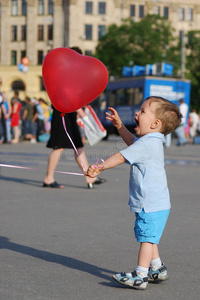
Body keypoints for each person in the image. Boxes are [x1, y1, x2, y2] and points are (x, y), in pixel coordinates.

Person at [86, 96, 182, 290]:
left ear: (155, 123)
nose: (137, 113)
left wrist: (100, 167)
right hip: (157, 203)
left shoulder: (146, 144)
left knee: (146, 239)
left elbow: (121, 156)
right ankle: (157, 268)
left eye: (143, 111)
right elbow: (132, 142)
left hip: (151, 203)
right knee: (150, 236)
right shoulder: (151, 140)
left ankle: (140, 275)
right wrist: (120, 126)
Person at [43, 46, 106, 189]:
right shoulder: (64, 74)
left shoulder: (66, 73)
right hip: (62, 114)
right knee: (59, 147)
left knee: (78, 147)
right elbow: (65, 93)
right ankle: (48, 177)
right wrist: (79, 110)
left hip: (68, 113)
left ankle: (90, 178)